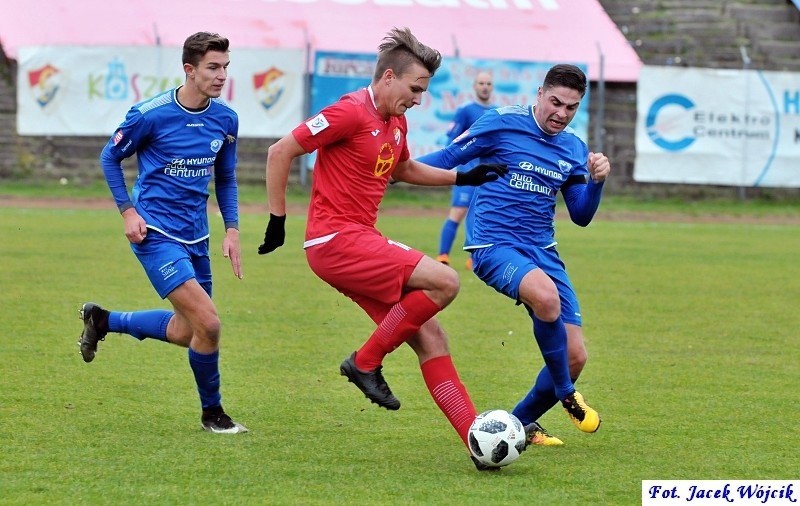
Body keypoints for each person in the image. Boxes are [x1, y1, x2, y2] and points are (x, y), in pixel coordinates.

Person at [257, 27, 507, 470]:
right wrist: (278, 219)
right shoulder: (349, 112)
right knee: (445, 281)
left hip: (357, 241)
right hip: (336, 240)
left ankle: (477, 444)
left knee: (430, 336)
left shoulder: (396, 121)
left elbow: (404, 168)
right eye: (415, 88)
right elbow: (280, 151)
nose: (418, 98)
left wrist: (464, 176)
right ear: (388, 77)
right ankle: (365, 361)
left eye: (424, 91)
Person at [417, 64, 608, 446]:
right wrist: (396, 168)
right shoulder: (501, 123)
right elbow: (450, 156)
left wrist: (597, 182)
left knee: (575, 355)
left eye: (571, 107)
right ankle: (566, 394)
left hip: (543, 251)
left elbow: (581, 215)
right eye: (555, 102)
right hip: (493, 244)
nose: (561, 113)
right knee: (545, 296)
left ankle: (515, 427)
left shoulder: (573, 147)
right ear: (539, 94)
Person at [78, 31, 247, 434]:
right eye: (213, 67)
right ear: (189, 70)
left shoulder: (226, 119)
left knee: (186, 331)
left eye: (225, 66)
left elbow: (225, 178)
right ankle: (213, 415)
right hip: (153, 232)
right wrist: (127, 212)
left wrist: (233, 229)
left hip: (197, 235)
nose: (222, 75)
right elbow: (109, 156)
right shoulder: (150, 114)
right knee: (209, 324)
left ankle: (103, 320)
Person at [436, 71, 496, 271]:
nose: (485, 86)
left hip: (487, 176)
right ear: (474, 86)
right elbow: (451, 140)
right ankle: (443, 255)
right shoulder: (466, 111)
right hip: (467, 172)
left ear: (492, 86)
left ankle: (474, 258)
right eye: (481, 83)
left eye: (488, 83)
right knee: (458, 212)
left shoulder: (497, 112)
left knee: (480, 215)